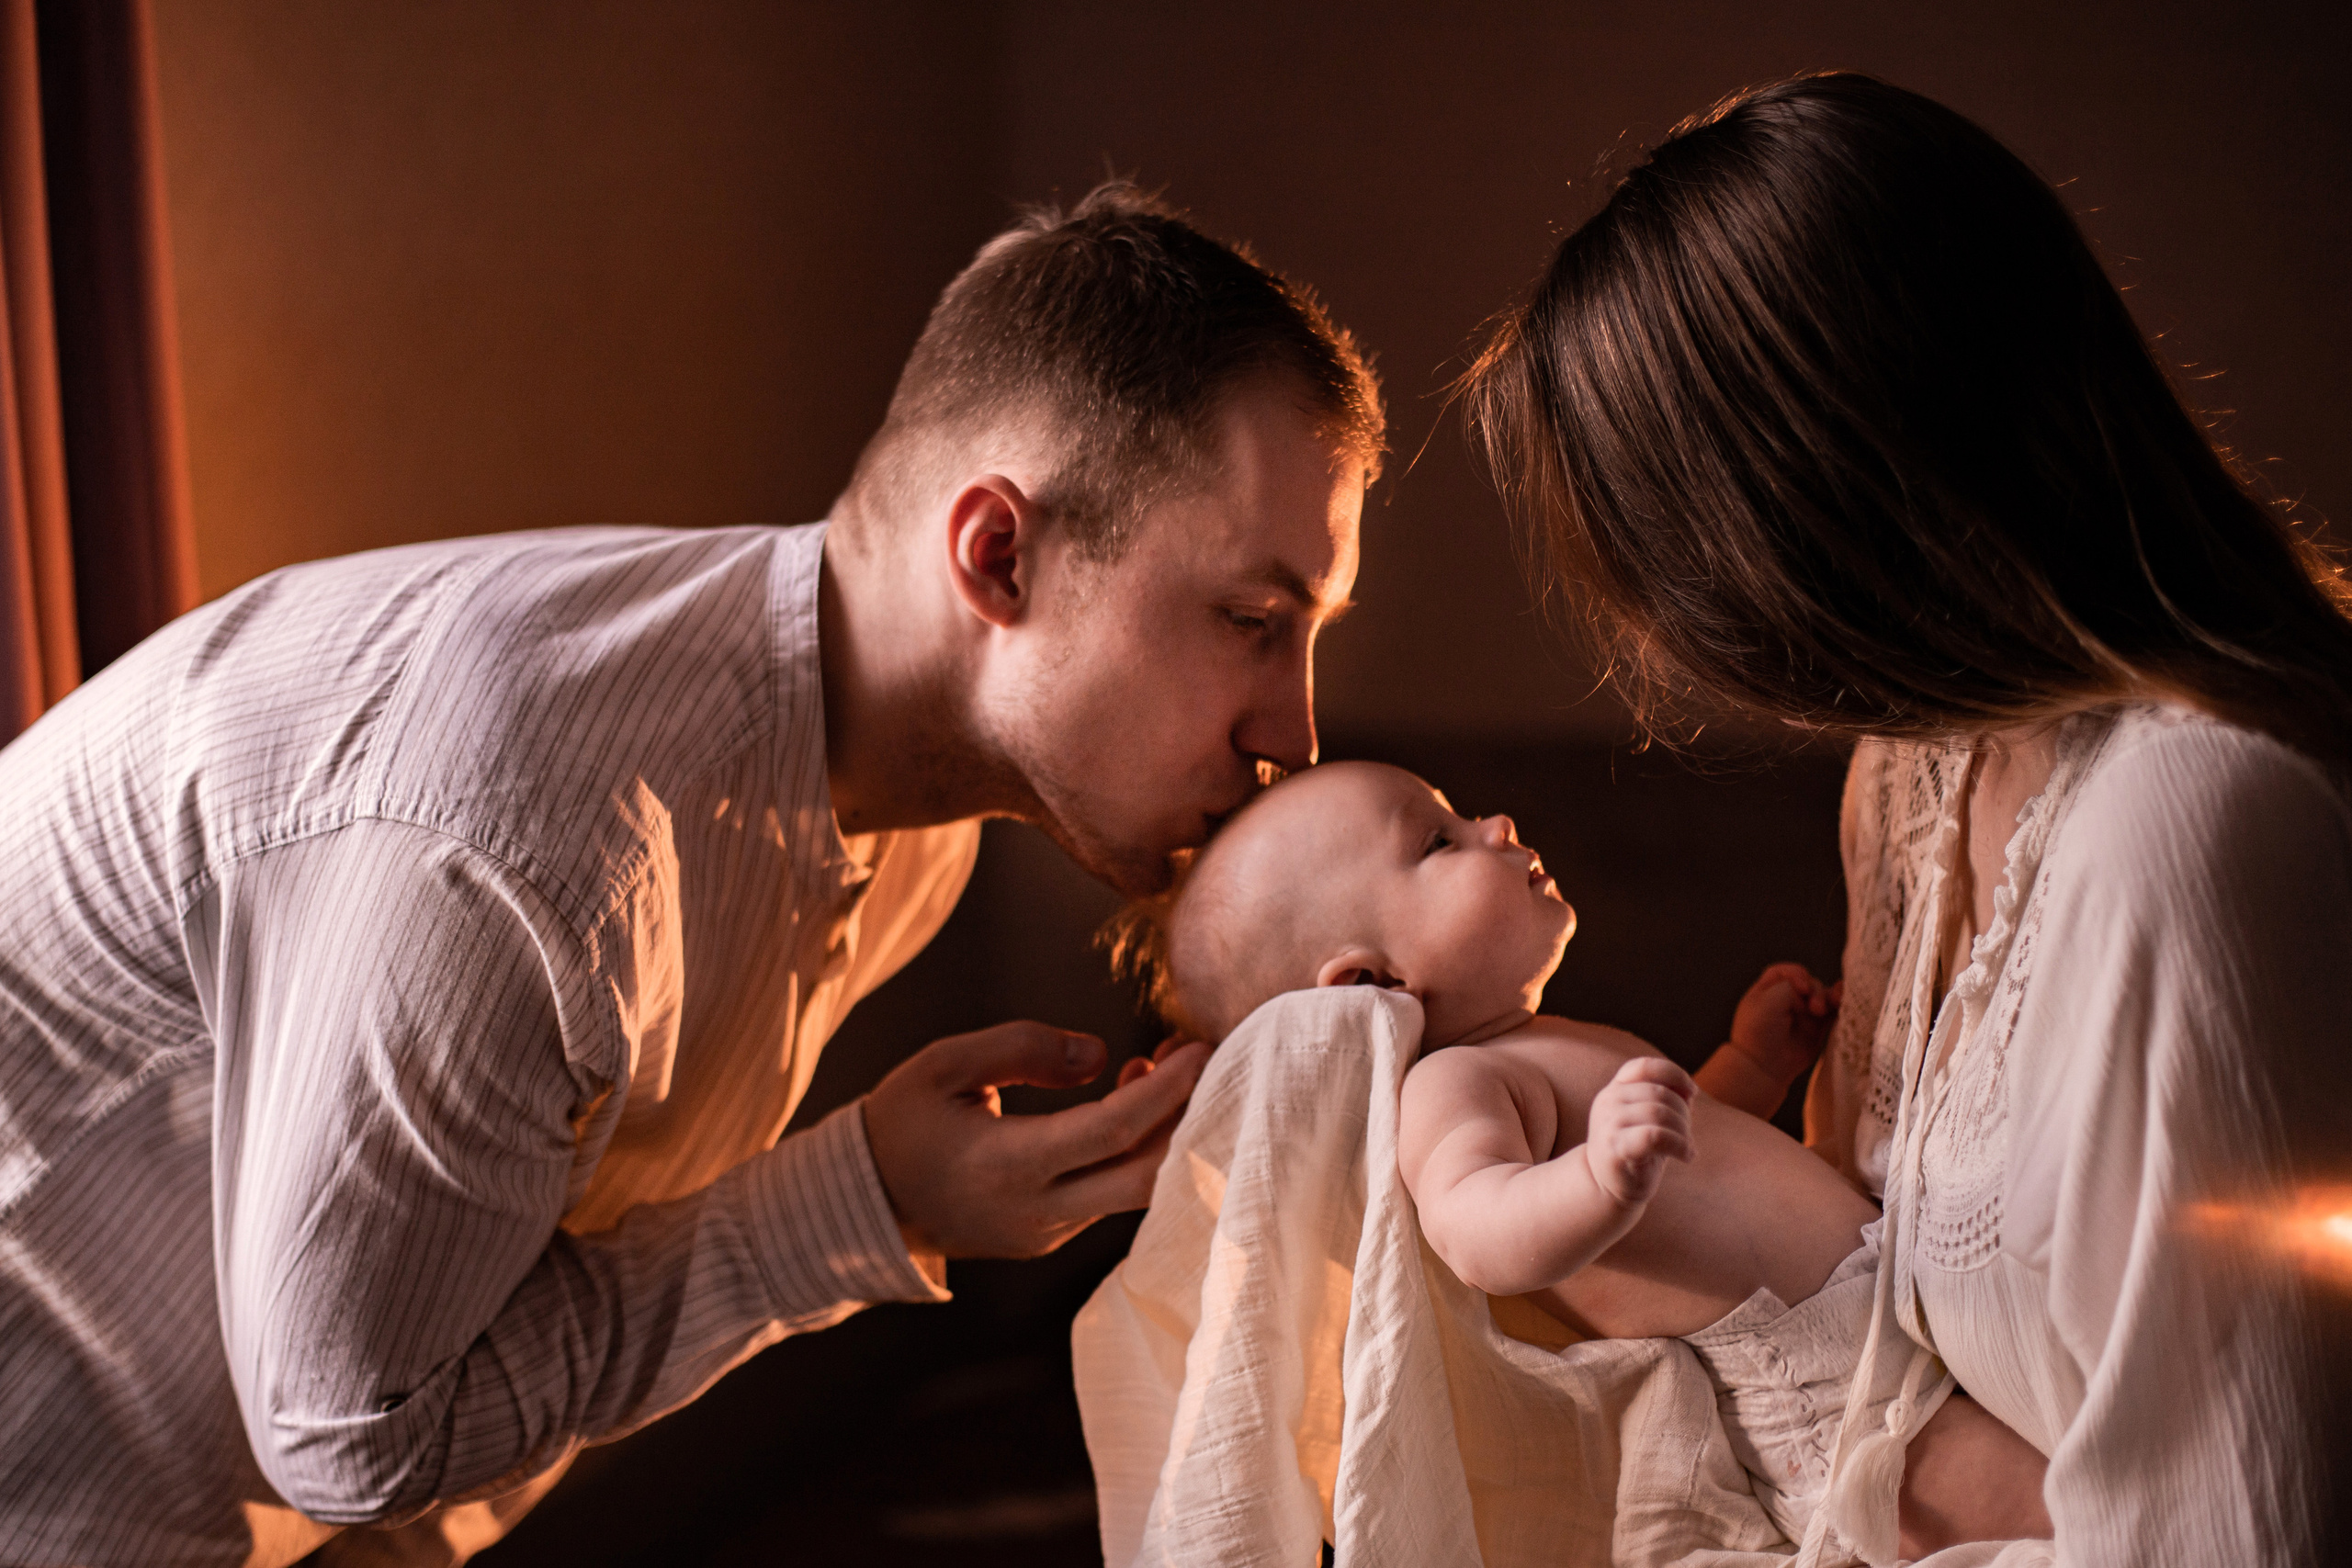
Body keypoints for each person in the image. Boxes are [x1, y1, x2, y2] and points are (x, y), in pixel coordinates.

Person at [0, 183, 1383, 1566]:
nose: (1296, 730)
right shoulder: (520, 847)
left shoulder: (918, 832)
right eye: (1252, 620)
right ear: (998, 553)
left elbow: (481, 1312)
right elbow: (355, 1432)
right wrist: (874, 1202)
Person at [1467, 73, 2352, 1565]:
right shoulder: (1911, 773)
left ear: (1806, 509)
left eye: (1664, 565)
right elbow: (1878, 1297)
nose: (1673, 646)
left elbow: (2233, 1524)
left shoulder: (2186, 829)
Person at [1125, 757, 2052, 1555]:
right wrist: (1596, 1176)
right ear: (1373, 983)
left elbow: (1686, 1175)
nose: (1494, 824)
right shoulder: (1449, 1088)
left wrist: (1750, 1068)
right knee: (2064, 1522)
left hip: (1868, 1331)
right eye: (1439, 843)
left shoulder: (1541, 1045)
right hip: (1824, 1394)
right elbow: (1475, 1226)